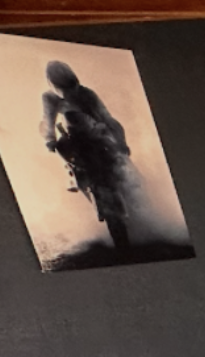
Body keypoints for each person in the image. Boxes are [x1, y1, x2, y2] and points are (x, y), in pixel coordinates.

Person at [40, 60, 135, 248]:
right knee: (81, 176)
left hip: (100, 141)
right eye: (62, 85)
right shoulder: (50, 98)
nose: (68, 90)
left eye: (70, 84)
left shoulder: (87, 95)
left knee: (124, 172)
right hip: (76, 146)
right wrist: (49, 140)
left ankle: (136, 200)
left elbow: (108, 119)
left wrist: (122, 143)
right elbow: (47, 121)